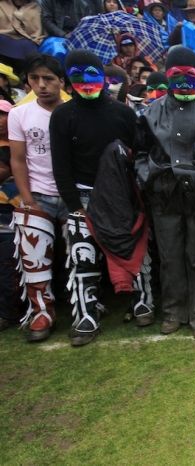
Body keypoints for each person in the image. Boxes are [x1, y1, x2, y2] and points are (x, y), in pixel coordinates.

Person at [136, 46, 195, 341]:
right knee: (170, 255)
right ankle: (174, 311)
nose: (183, 81)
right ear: (167, 75)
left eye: (189, 74)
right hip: (164, 195)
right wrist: (149, 177)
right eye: (176, 74)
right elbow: (139, 152)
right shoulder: (150, 112)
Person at [49, 49, 138, 346]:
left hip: (121, 196)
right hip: (82, 197)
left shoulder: (123, 114)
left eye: (92, 74)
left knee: (134, 251)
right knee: (82, 257)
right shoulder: (62, 115)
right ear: (67, 81)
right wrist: (74, 205)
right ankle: (86, 315)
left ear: (103, 76)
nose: (86, 82)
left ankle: (143, 301)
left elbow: (135, 158)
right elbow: (60, 165)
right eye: (77, 75)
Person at [7, 55, 67, 342]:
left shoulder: (72, 111)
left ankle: (85, 305)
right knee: (34, 256)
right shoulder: (20, 114)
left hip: (73, 194)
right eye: (35, 79)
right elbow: (18, 160)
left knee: (83, 254)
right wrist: (27, 198)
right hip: (38, 194)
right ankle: (42, 311)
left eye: (49, 79)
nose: (42, 85)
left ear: (61, 82)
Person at [0, 99, 21, 331]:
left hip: (15, 209)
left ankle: (9, 311)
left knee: (9, 261)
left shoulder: (17, 143)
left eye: (2, 114)